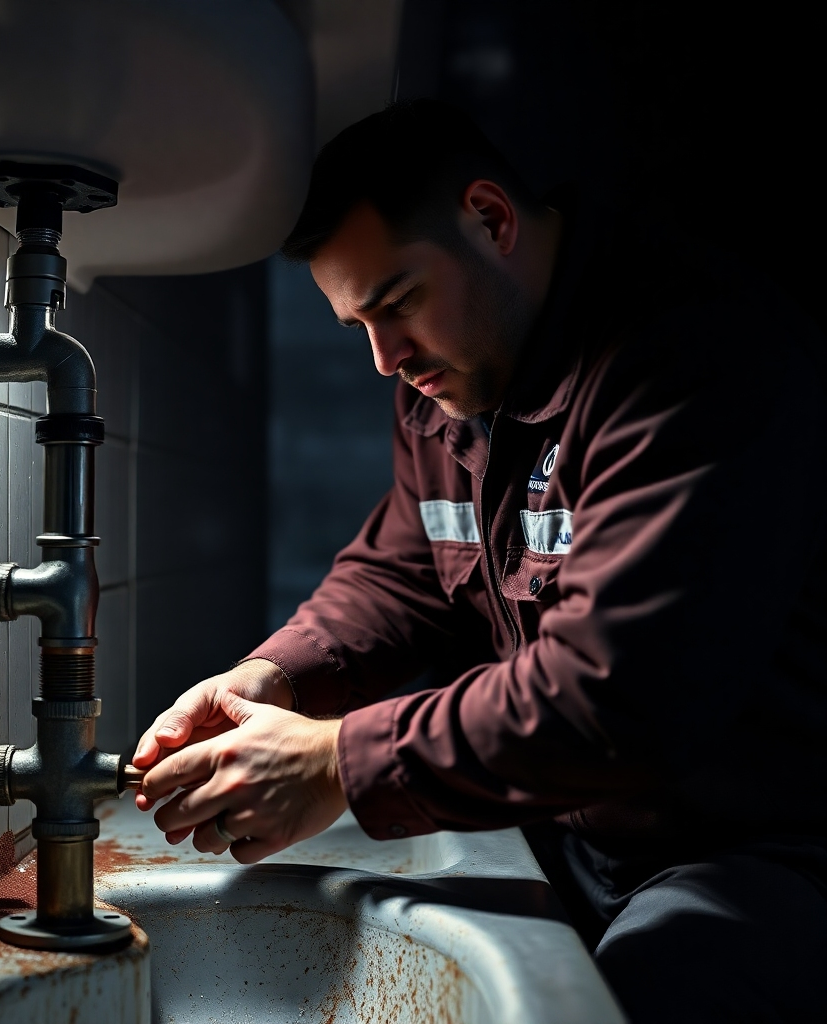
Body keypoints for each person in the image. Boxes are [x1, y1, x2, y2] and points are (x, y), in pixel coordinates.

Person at [132, 100, 827, 1021]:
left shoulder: (690, 353)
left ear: (491, 219)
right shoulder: (456, 372)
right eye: (359, 327)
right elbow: (403, 567)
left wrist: (338, 761)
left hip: (749, 851)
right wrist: (273, 678)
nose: (386, 359)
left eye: (396, 304)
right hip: (577, 836)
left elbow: (613, 696)